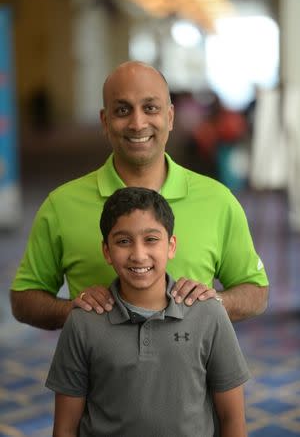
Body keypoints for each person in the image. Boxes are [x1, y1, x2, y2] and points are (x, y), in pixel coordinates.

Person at [10, 61, 269, 330]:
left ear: (169, 117)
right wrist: (73, 311)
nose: (137, 123)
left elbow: (255, 292)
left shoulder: (218, 200)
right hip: (98, 371)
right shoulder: (61, 205)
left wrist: (212, 302)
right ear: (105, 121)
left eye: (150, 108)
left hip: (190, 371)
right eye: (123, 110)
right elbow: (24, 299)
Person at [46, 187, 250, 437]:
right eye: (123, 241)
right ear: (107, 251)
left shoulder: (208, 315)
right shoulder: (83, 322)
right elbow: (65, 428)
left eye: (151, 239)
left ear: (171, 246)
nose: (139, 255)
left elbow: (233, 420)